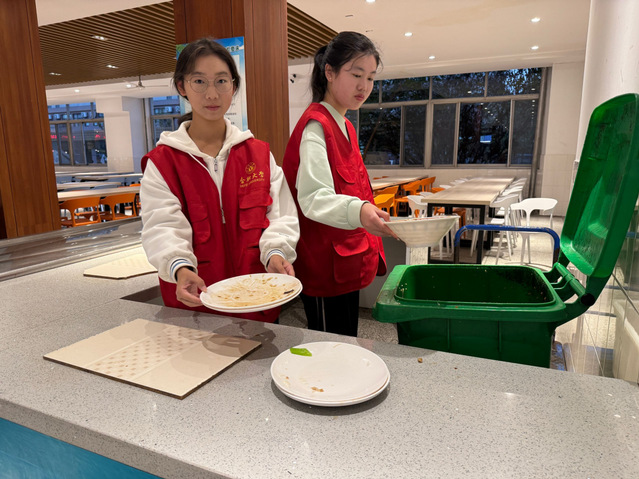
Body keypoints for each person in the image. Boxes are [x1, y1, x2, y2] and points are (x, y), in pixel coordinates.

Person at [140, 37, 299, 323]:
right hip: (195, 301)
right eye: (199, 82)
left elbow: (281, 216)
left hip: (258, 297)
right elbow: (161, 225)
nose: (212, 94)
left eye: (221, 81)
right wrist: (179, 266)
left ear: (234, 87)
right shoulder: (163, 163)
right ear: (182, 87)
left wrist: (276, 252)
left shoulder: (259, 155)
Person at [282, 31, 394, 337]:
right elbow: (313, 198)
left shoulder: (344, 124)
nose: (364, 86)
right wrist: (360, 211)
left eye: (370, 77)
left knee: (346, 341)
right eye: (356, 74)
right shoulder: (316, 126)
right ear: (329, 72)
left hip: (345, 260)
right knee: (328, 344)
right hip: (324, 265)